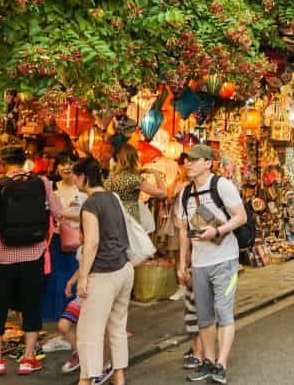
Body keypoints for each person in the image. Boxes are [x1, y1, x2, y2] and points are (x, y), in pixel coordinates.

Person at [0, 146, 64, 375]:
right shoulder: (43, 183)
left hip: (2, 254)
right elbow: (58, 213)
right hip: (34, 253)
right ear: (24, 161)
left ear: (2, 163)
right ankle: (29, 359)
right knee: (31, 303)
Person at [176, 144, 247, 385]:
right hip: (199, 263)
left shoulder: (221, 185)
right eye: (188, 160)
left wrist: (217, 229)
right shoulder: (185, 193)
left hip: (225, 260)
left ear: (208, 163)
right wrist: (182, 262)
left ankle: (221, 364)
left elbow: (241, 216)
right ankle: (207, 360)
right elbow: (184, 230)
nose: (189, 164)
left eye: (195, 160)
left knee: (224, 312)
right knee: (204, 316)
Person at [73, 157, 134, 385]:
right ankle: (119, 377)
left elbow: (92, 242)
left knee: (90, 331)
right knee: (117, 326)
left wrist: (83, 277)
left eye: (76, 176)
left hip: (104, 273)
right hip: (124, 269)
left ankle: (86, 380)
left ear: (83, 178)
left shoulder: (90, 204)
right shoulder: (112, 198)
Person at [44, 153, 86, 324]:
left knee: (73, 273)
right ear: (57, 168)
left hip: (77, 238)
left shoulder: (82, 189)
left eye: (70, 163)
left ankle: (73, 314)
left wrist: (67, 215)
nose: (66, 167)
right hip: (56, 238)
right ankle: (57, 314)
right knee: (56, 275)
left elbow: (87, 214)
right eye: (62, 164)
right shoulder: (52, 188)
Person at [105, 144, 167, 226]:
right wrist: (155, 173)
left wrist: (140, 172)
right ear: (134, 159)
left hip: (111, 217)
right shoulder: (134, 179)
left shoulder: (111, 176)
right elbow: (163, 194)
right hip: (128, 220)